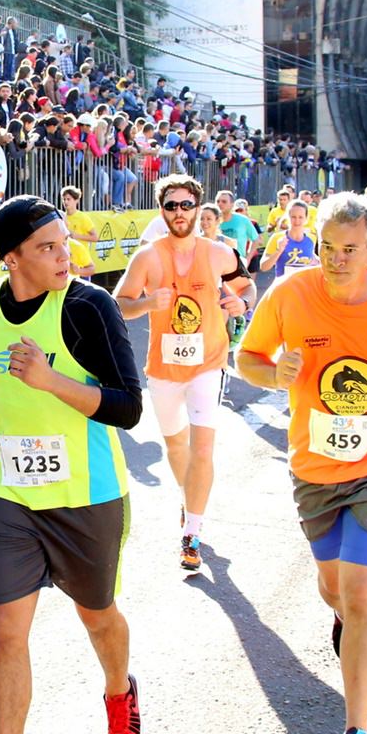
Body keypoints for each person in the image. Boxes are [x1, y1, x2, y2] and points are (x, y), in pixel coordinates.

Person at [236, 193, 367, 734]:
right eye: (328, 247)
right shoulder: (289, 293)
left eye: (350, 249)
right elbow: (247, 357)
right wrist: (273, 374)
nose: (337, 259)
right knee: (336, 592)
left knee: (363, 596)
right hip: (316, 471)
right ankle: (350, 625)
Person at [0, 196, 143, 734]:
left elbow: (128, 407)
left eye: (65, 242)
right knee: (5, 633)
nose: (65, 256)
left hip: (87, 496)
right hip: (10, 494)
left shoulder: (90, 306)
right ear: (11, 259)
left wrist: (50, 382)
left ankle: (119, 691)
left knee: (98, 617)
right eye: (47, 247)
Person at [113, 175, 253, 571]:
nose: (179, 212)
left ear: (197, 208)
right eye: (171, 206)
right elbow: (118, 303)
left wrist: (242, 304)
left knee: (203, 449)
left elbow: (247, 287)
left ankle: (192, 531)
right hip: (164, 369)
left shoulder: (220, 253)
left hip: (208, 363)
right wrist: (146, 304)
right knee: (177, 447)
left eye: (186, 205)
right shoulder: (148, 257)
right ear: (162, 211)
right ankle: (188, 497)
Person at [261, 200, 317, 276]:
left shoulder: (311, 238)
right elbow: (263, 267)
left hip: (305, 283)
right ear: (287, 217)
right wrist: (278, 251)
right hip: (283, 283)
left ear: (306, 219)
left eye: (300, 217)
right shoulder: (277, 238)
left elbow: (312, 257)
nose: (297, 221)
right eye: (293, 217)